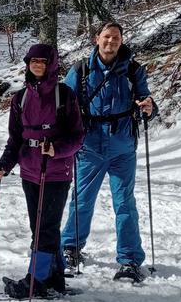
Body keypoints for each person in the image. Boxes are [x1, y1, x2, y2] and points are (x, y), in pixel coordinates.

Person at [60, 21, 155, 282]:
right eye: (106, 37)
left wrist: (148, 107)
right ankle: (69, 248)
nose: (111, 41)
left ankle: (130, 260)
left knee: (124, 204)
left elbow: (146, 101)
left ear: (122, 41)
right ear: (96, 39)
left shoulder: (133, 70)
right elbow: (64, 105)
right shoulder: (81, 70)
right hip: (89, 146)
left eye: (116, 37)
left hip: (122, 147)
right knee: (81, 200)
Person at [0, 44, 85, 300]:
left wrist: (56, 149)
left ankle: (36, 281)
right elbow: (15, 139)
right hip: (30, 172)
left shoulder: (64, 96)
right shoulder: (20, 98)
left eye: (42, 61)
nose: (37, 65)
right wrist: (4, 164)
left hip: (55, 173)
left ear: (51, 63)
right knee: (41, 228)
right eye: (33, 61)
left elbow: (78, 137)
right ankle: (55, 279)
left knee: (45, 227)